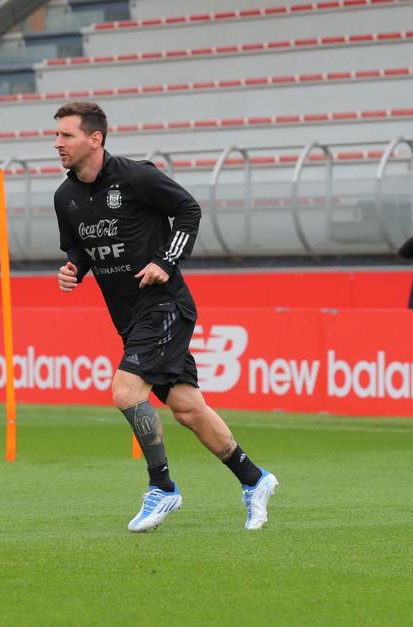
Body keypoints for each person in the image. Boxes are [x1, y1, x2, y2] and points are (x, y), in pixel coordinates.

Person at [52, 101, 277, 532]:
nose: (56, 143)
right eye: (57, 135)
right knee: (188, 408)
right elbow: (78, 248)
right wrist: (74, 269)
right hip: (129, 317)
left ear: (94, 138)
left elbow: (188, 210)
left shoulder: (136, 176)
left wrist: (165, 262)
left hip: (165, 304)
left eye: (66, 135)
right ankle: (255, 479)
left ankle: (164, 488)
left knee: (124, 391)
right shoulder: (65, 197)